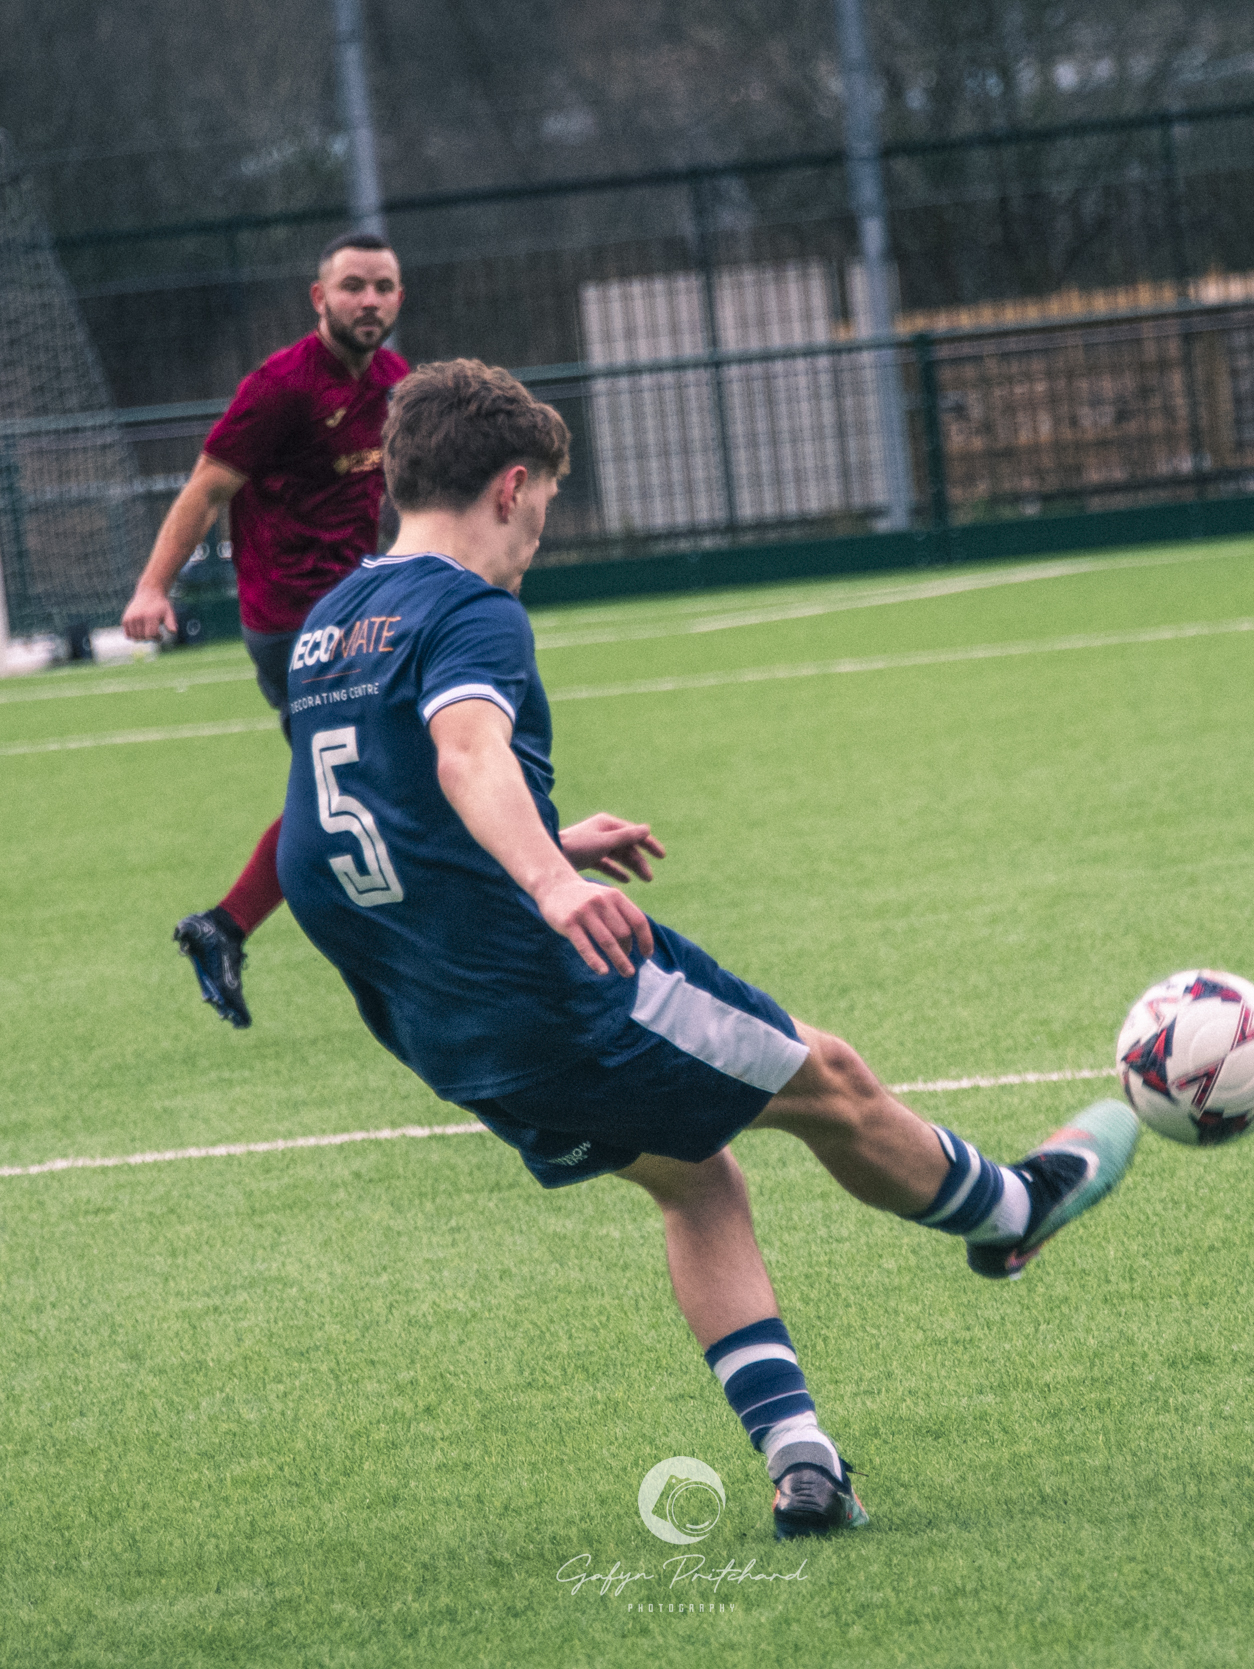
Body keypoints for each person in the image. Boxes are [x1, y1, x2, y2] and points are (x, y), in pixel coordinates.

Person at [276, 359, 1143, 1540]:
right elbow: (465, 757)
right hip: (549, 983)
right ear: (511, 486)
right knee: (827, 1080)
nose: (539, 532)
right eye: (544, 507)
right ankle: (1009, 1212)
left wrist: (539, 836)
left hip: (438, 1021)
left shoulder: (334, 621)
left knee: (695, 1176)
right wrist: (547, 878)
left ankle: (803, 1463)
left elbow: (341, 817)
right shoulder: (474, 609)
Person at [121, 230, 408, 1029]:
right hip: (293, 626)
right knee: (371, 780)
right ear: (320, 298)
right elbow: (206, 488)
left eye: (384, 286)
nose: (370, 301)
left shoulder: (393, 382)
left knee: (365, 783)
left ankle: (226, 927)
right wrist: (153, 586)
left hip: (357, 612)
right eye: (354, 285)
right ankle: (389, 949)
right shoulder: (280, 387)